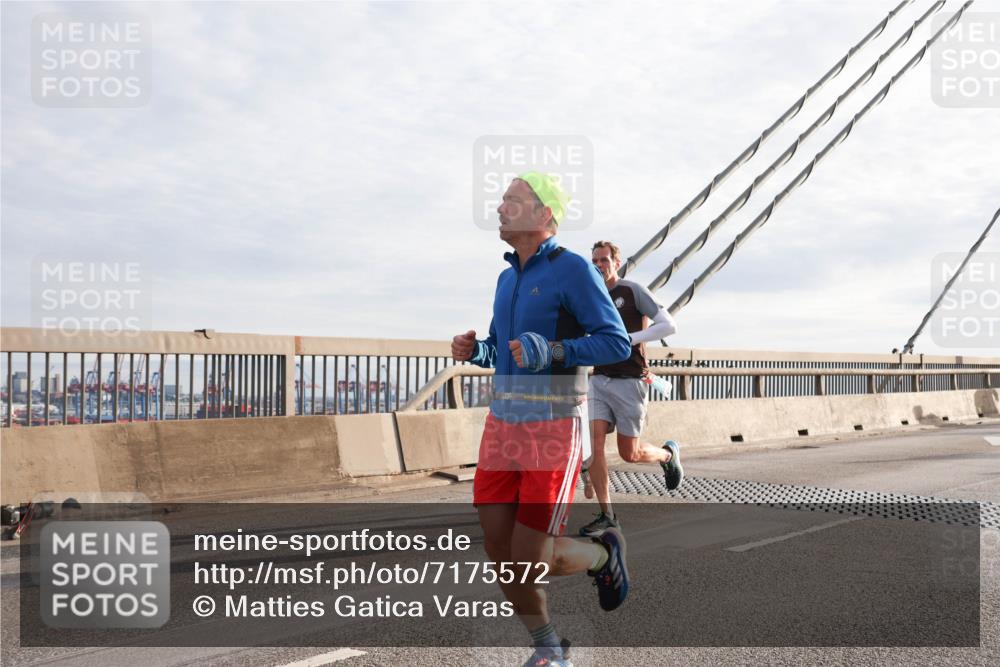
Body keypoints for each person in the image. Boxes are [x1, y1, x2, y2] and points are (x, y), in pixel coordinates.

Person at [452, 173, 632, 667]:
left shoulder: (574, 270)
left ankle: (600, 555)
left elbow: (615, 342)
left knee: (531, 557)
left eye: (512, 200)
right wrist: (478, 349)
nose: (500, 207)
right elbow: (503, 349)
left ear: (544, 215)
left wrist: (552, 349)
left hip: (552, 427)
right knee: (498, 549)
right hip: (502, 425)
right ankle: (548, 645)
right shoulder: (507, 278)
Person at [578, 240, 684, 538]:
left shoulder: (632, 291)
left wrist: (631, 337)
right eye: (595, 261)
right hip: (599, 379)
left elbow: (669, 325)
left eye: (604, 260)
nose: (600, 266)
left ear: (616, 262)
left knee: (630, 454)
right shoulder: (589, 297)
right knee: (595, 444)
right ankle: (607, 515)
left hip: (630, 381)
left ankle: (667, 456)